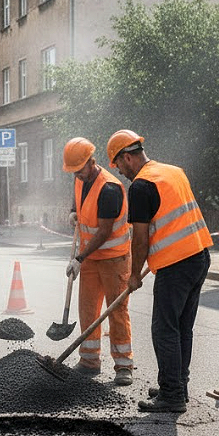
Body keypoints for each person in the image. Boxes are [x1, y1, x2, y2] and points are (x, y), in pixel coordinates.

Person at [108, 130, 212, 413]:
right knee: (182, 328)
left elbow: (140, 239)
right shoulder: (173, 171)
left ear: (127, 157)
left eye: (118, 165)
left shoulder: (141, 187)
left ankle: (171, 395)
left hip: (176, 264)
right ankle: (178, 385)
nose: (119, 172)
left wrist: (133, 274)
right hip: (200, 256)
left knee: (164, 329)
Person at [62, 137, 134, 385]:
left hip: (114, 259)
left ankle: (123, 365)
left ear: (91, 162)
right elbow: (79, 195)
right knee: (88, 309)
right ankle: (89, 360)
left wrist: (78, 258)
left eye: (79, 170)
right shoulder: (79, 177)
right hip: (91, 258)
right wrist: (73, 211)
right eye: (74, 172)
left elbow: (104, 232)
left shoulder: (109, 189)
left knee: (116, 310)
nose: (77, 176)